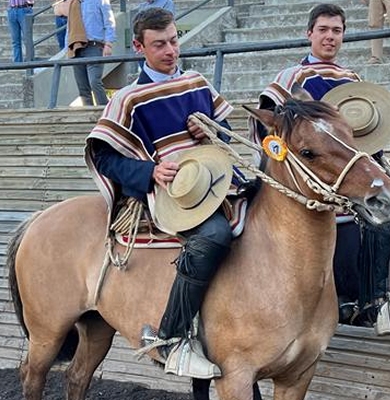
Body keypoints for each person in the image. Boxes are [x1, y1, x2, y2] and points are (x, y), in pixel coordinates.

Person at [252, 3, 390, 336]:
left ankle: (380, 301)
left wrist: (377, 166)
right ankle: (355, 300)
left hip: (348, 171)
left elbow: (364, 138)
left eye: (337, 31)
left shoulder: (352, 80)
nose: (330, 37)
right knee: (358, 218)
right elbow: (266, 129)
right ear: (309, 34)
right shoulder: (291, 77)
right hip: (305, 178)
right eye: (323, 30)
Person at [84, 7, 235, 378]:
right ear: (139, 46)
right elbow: (103, 157)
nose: (170, 50)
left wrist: (213, 132)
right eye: (159, 44)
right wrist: (150, 171)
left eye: (173, 41)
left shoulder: (198, 82)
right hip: (168, 195)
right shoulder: (127, 98)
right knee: (214, 235)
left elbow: (227, 132)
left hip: (216, 181)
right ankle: (170, 337)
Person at [66, 0, 115, 105]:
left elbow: (109, 21)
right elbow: (69, 27)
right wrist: (68, 48)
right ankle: (88, 113)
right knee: (82, 87)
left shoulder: (100, 1)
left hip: (94, 46)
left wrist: (109, 44)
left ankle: (104, 110)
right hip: (76, 47)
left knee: (94, 82)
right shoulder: (74, 4)